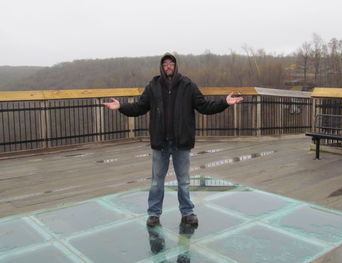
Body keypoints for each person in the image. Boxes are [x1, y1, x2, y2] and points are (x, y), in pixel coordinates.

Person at [102, 53, 243, 227]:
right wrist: (121, 106)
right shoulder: (153, 86)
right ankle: (154, 214)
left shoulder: (188, 85)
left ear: (176, 66)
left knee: (183, 180)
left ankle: (187, 213)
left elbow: (204, 106)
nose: (168, 66)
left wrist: (224, 103)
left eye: (171, 63)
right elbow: (139, 107)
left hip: (181, 142)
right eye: (165, 64)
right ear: (161, 67)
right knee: (156, 182)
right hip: (160, 142)